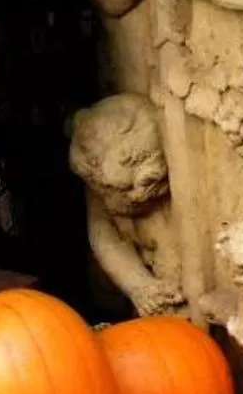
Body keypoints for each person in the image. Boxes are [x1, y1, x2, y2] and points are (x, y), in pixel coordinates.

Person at [68, 94, 185, 315]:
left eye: (147, 181)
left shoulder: (148, 130)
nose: (137, 195)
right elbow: (105, 240)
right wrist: (138, 285)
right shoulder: (99, 189)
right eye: (122, 190)